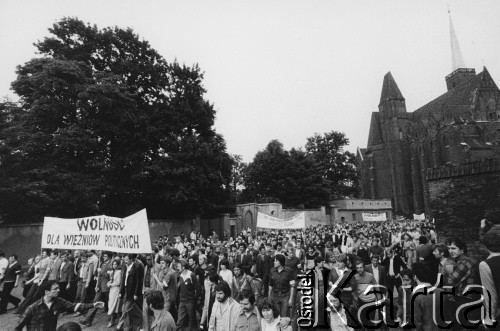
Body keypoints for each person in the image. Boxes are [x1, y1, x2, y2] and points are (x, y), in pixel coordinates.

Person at [15, 280, 104, 331]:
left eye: (59, 288)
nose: (59, 290)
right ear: (47, 292)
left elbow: (74, 306)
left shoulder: (59, 301)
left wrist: (93, 305)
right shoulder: (32, 308)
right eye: (55, 289)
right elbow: (18, 327)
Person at [117, 253, 144, 331]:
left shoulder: (136, 267)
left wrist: (136, 293)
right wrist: (121, 292)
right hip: (125, 290)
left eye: (127, 260)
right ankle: (129, 326)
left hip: (131, 292)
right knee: (127, 309)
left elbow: (138, 282)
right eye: (124, 260)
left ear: (131, 259)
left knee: (126, 309)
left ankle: (123, 326)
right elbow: (123, 280)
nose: (125, 261)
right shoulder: (125, 267)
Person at [176, 259, 201, 330]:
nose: (177, 268)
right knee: (180, 320)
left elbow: (199, 289)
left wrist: (193, 298)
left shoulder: (191, 275)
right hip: (182, 301)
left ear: (183, 267)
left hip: (190, 301)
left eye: (178, 266)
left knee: (192, 320)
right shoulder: (180, 276)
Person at [106, 259, 122, 328]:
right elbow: (111, 280)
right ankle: (112, 320)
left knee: (115, 306)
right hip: (111, 290)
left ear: (118, 265)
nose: (114, 266)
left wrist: (111, 284)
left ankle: (116, 321)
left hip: (116, 290)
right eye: (113, 264)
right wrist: (108, 283)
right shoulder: (112, 272)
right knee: (111, 304)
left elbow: (118, 282)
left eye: (116, 264)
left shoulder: (119, 272)